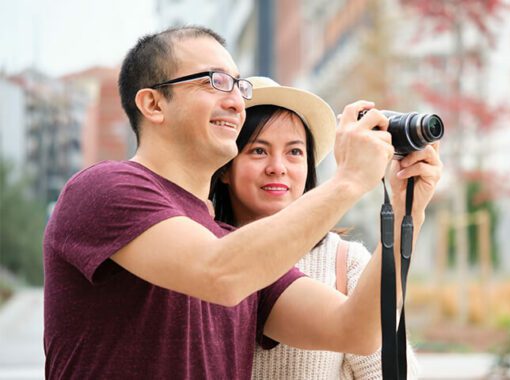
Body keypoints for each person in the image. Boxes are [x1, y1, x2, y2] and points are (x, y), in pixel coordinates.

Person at [42, 26, 441, 379]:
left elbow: (355, 330)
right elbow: (218, 273)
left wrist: (409, 210)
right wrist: (349, 180)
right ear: (153, 104)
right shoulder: (105, 188)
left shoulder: (231, 242)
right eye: (214, 82)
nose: (236, 102)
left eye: (238, 86)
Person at [209, 77, 423, 379]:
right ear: (225, 169)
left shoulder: (346, 264)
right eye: (258, 151)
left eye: (295, 152)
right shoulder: (201, 254)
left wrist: (409, 210)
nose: (277, 167)